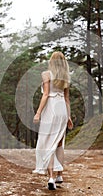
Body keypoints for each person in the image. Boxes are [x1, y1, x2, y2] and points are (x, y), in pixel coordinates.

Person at [33, 51, 73, 190]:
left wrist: (38, 113)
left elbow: (45, 95)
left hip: (51, 108)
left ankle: (51, 178)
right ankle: (60, 175)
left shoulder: (46, 74)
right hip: (62, 108)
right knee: (59, 143)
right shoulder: (66, 77)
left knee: (49, 142)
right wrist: (68, 117)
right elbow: (67, 99)